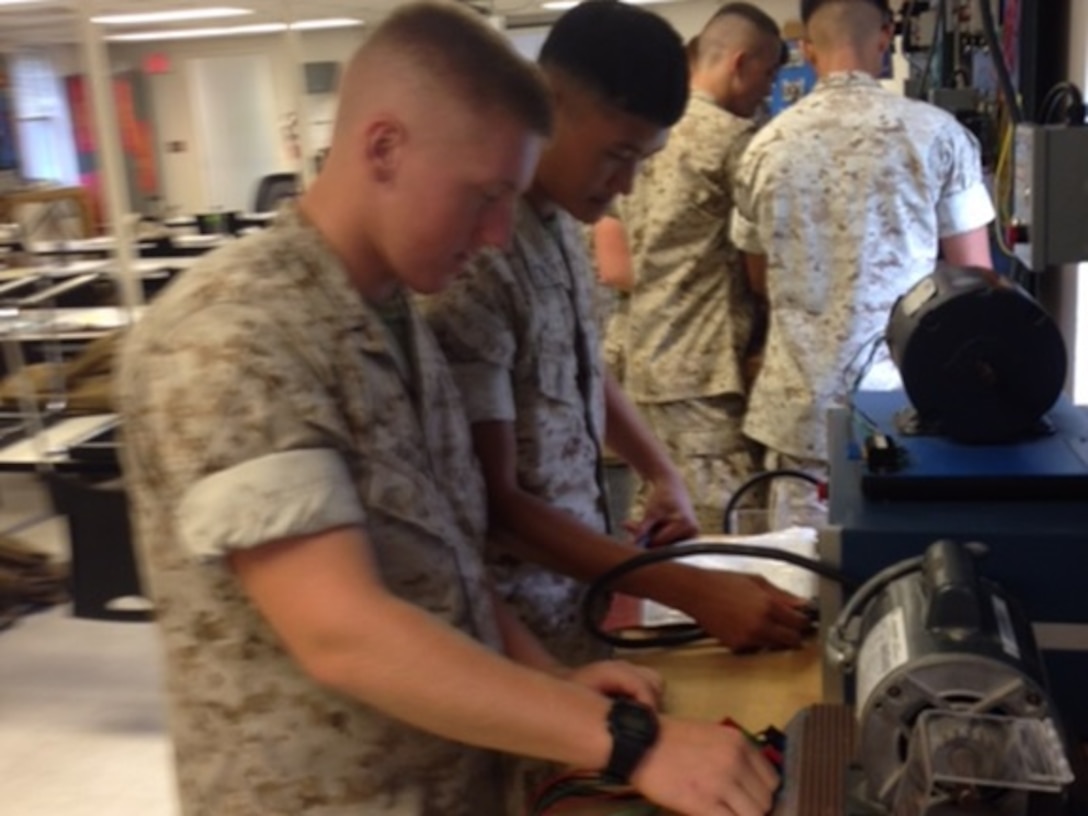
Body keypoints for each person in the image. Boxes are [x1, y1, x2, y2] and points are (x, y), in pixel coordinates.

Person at [117, 4, 779, 815]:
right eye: (484, 197)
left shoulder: (390, 318)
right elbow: (344, 632)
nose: (501, 236)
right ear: (385, 147)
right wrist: (627, 741)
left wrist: (555, 685)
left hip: (454, 776)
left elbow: (446, 570)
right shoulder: (236, 334)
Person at [421, 0, 810, 663]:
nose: (627, 186)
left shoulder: (558, 223)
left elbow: (579, 368)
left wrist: (659, 469)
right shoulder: (478, 257)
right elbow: (499, 506)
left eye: (643, 158)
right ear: (550, 101)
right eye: (617, 154)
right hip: (509, 636)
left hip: (575, 600)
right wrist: (691, 590)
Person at [730, 0, 995, 530]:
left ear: (806, 47)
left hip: (799, 419)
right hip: (906, 417)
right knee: (906, 590)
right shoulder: (939, 135)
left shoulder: (763, 148)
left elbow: (758, 280)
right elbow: (975, 282)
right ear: (886, 35)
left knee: (804, 590)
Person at [604, 3, 785, 535]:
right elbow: (763, 271)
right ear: (739, 63)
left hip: (643, 362)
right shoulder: (736, 143)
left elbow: (615, 255)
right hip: (705, 372)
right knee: (722, 536)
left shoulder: (647, 131)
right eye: (769, 73)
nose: (768, 90)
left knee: (657, 520)